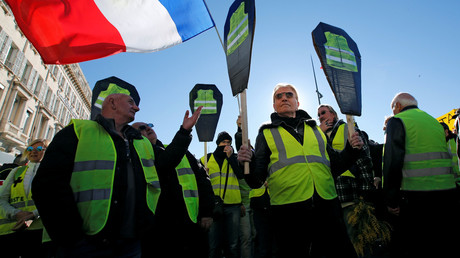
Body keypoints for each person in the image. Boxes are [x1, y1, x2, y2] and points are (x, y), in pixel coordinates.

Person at [31, 91, 202, 257]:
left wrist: (184, 132)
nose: (137, 108)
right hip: (85, 244)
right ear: (112, 102)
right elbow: (47, 185)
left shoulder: (140, 142)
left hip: (131, 241)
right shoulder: (78, 131)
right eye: (130, 102)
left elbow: (165, 163)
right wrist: (71, 236)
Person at [238, 83, 364, 257]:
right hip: (288, 211)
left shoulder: (316, 130)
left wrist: (352, 149)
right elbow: (256, 180)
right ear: (274, 105)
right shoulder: (266, 133)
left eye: (289, 95)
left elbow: (335, 166)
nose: (284, 98)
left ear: (297, 102)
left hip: (327, 205)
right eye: (279, 96)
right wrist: (245, 163)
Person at [382, 92, 460, 257]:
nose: (393, 112)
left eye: (393, 109)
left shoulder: (398, 121)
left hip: (416, 197)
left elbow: (393, 161)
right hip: (447, 194)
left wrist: (391, 199)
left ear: (398, 106)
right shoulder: (434, 122)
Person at [131, 122, 214, 257]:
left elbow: (203, 181)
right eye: (141, 128)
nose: (148, 128)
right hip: (157, 231)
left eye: (149, 125)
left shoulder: (180, 151)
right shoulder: (134, 157)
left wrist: (207, 212)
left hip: (191, 224)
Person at [317, 104, 387, 256]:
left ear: (334, 115)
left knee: (359, 242)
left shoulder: (347, 128)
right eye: (319, 115)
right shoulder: (319, 135)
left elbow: (364, 158)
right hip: (330, 197)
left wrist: (366, 191)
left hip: (350, 195)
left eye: (323, 113)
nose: (320, 117)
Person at [0, 139, 49, 257]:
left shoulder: (51, 172)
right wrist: (16, 214)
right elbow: (1, 199)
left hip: (38, 232)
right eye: (30, 149)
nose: (33, 152)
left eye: (39, 149)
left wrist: (33, 215)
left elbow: (53, 201)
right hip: (11, 230)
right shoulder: (16, 171)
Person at [201, 131, 244, 258]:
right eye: (224, 142)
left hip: (233, 206)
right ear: (218, 143)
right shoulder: (206, 159)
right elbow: (200, 182)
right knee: (213, 244)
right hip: (213, 206)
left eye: (229, 143)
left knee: (233, 244)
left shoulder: (234, 158)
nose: (226, 145)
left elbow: (240, 175)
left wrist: (231, 158)